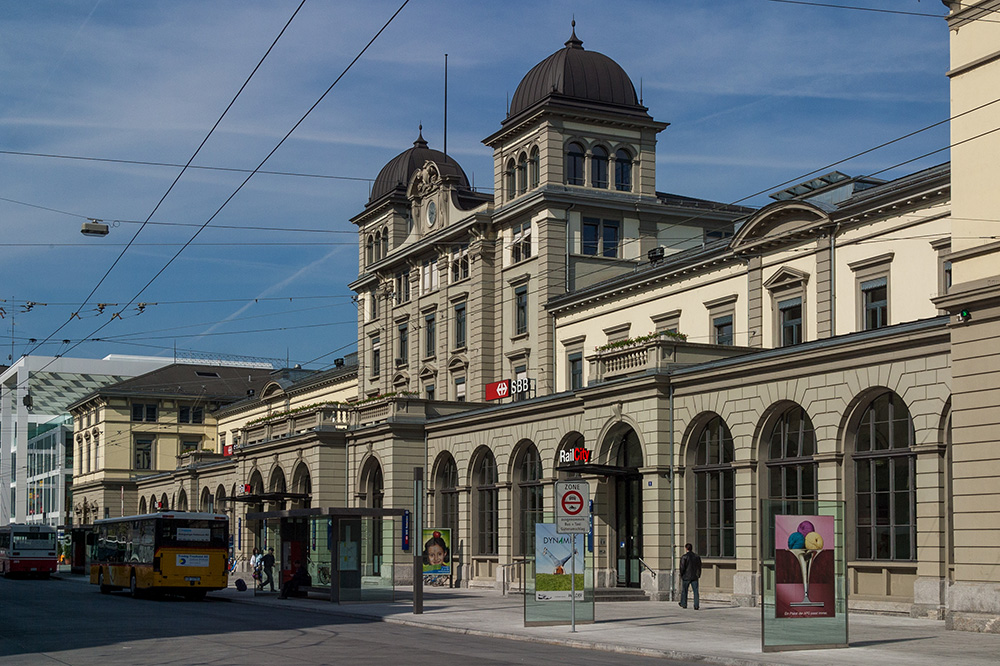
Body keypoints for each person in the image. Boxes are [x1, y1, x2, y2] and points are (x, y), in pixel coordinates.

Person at [678, 542, 702, 610]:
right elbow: (699, 566)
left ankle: (684, 603)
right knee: (696, 591)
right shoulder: (697, 557)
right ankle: (696, 605)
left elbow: (682, 567)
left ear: (686, 548)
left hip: (686, 576)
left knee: (684, 590)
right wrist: (698, 574)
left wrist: (681, 574)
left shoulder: (684, 557)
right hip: (694, 576)